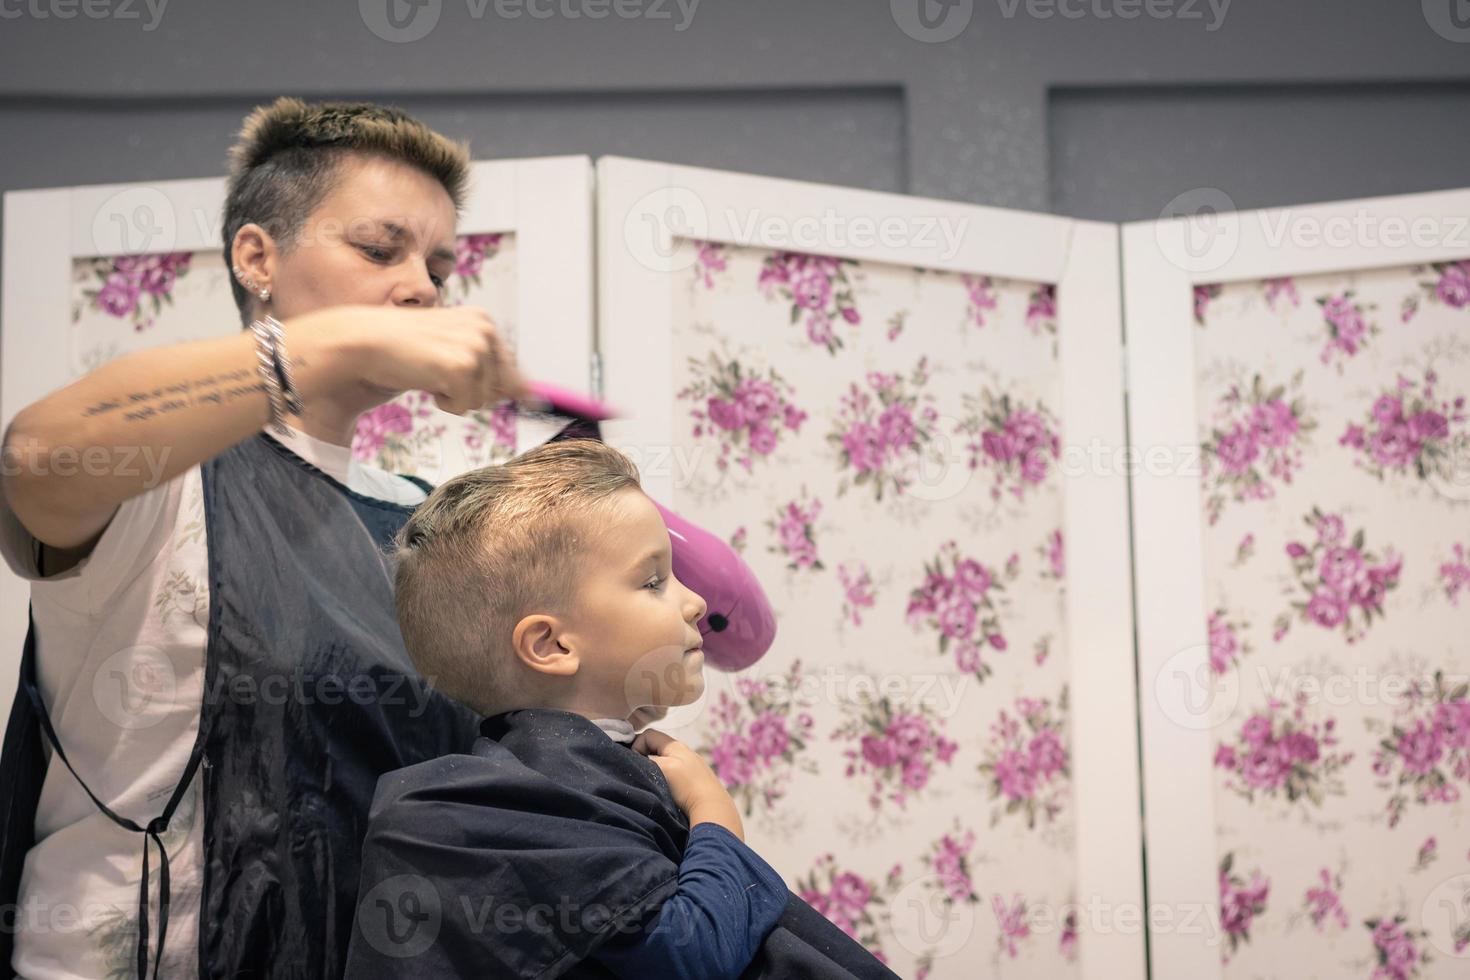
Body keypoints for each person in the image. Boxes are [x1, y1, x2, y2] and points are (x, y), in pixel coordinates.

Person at [0, 97, 550, 979]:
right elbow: (36, 456)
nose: (421, 286)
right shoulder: (161, 479)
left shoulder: (423, 525)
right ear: (257, 257)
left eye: (439, 267)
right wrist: (332, 345)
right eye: (380, 249)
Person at [342, 438, 900, 979]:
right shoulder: (504, 808)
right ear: (552, 646)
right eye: (654, 580)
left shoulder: (566, 789)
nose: (696, 602)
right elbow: (687, 953)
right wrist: (713, 814)